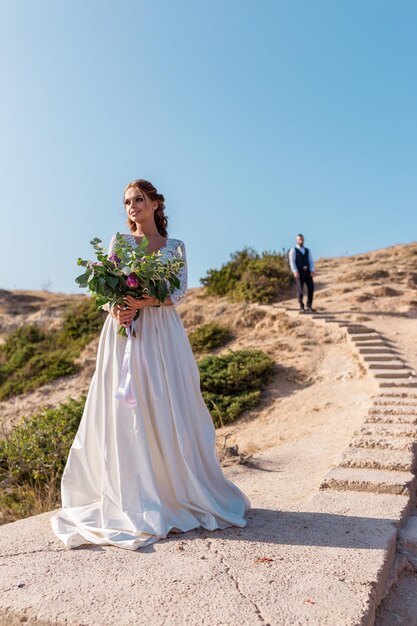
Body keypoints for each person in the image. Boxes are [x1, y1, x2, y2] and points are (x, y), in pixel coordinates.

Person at [50, 179, 250, 551]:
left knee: (166, 400)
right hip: (123, 331)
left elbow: (177, 293)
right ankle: (134, 493)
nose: (132, 206)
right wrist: (117, 308)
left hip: (162, 334)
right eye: (127, 202)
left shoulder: (174, 246)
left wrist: (143, 303)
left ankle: (175, 490)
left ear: (156, 203)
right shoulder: (119, 243)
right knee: (127, 409)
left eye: (139, 199)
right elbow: (103, 292)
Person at [288, 233, 315, 313]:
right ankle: (301, 306)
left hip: (307, 272)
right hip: (299, 272)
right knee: (300, 289)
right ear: (297, 240)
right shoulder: (293, 250)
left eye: (302, 239)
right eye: (299, 239)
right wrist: (295, 271)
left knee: (311, 288)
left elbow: (311, 261)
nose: (301, 240)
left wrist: (312, 270)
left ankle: (309, 306)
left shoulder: (307, 250)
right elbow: (292, 262)